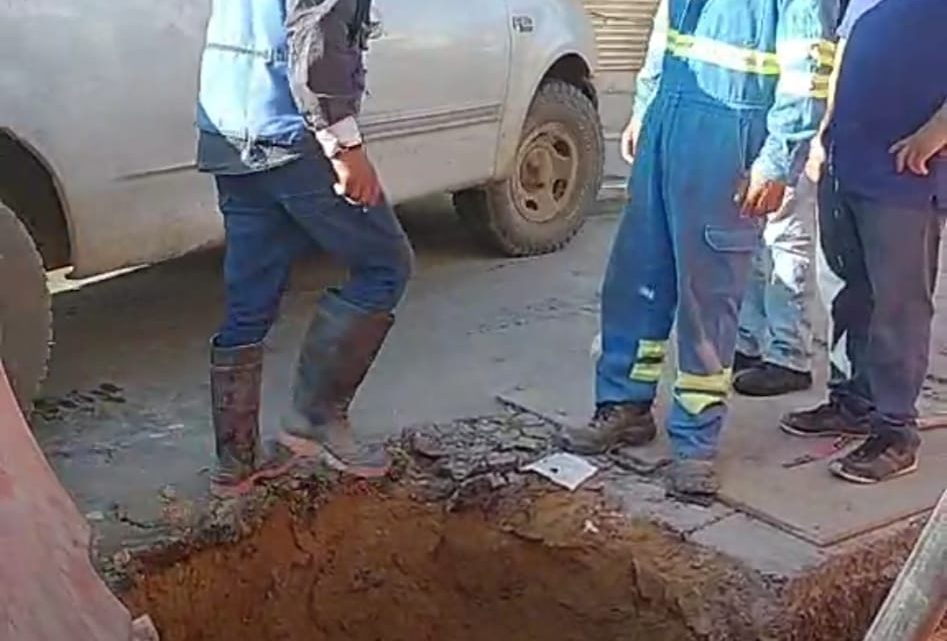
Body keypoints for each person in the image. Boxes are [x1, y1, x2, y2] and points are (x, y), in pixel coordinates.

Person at [559, 0, 836, 503]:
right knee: (635, 280)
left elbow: (809, 69)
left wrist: (778, 159)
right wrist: (645, 107)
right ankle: (625, 405)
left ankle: (696, 440)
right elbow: (666, 36)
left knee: (708, 297)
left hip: (728, 136)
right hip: (670, 118)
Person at [195, 0, 414, 496]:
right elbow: (317, 43)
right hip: (291, 137)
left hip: (229, 132)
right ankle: (314, 419)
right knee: (385, 265)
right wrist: (345, 147)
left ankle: (236, 462)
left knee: (250, 297)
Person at [782, 0, 947, 484]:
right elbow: (843, 58)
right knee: (850, 293)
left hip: (905, 177)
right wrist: (822, 136)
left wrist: (936, 132)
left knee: (899, 306)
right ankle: (853, 400)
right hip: (847, 162)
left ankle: (895, 431)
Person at [733, 174, 817, 397]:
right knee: (754, 234)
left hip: (789, 151)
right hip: (756, 144)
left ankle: (790, 356)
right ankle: (751, 341)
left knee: (785, 237)